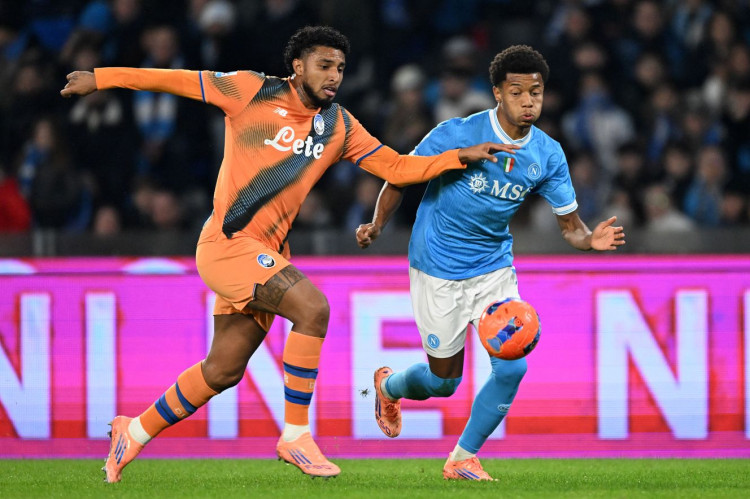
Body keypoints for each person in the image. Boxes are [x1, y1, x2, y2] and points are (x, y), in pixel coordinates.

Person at [60, 25, 512, 482]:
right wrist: (101, 78)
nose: (334, 76)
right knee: (313, 309)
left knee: (222, 371)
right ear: (297, 66)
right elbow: (173, 79)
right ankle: (295, 435)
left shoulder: (339, 125)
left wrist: (459, 156)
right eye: (324, 65)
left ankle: (134, 431)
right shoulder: (250, 90)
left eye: (340, 68)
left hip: (268, 253)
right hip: (228, 245)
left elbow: (395, 167)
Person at [356, 45, 625, 481]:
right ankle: (388, 386)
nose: (528, 102)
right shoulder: (457, 133)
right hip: (437, 266)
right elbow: (400, 174)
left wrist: (588, 239)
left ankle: (462, 457)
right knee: (444, 382)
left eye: (535, 92)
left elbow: (571, 227)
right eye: (517, 93)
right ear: (498, 93)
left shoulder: (547, 154)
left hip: (493, 269)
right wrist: (376, 224)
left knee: (513, 364)